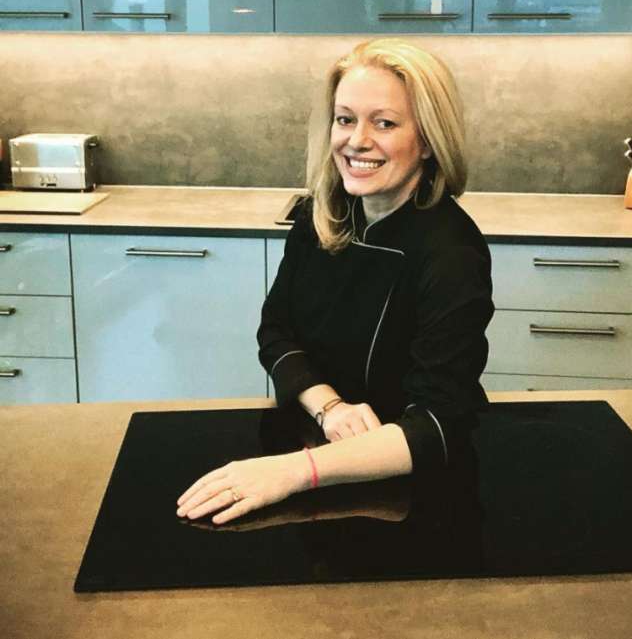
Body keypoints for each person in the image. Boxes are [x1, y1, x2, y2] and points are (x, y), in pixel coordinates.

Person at [177, 38, 494, 525]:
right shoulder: (320, 215)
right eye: (345, 119)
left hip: (408, 494)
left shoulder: (452, 252)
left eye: (384, 123)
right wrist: (330, 407)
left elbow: (438, 423)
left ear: (429, 140)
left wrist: (292, 471)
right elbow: (276, 332)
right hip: (316, 452)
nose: (356, 141)